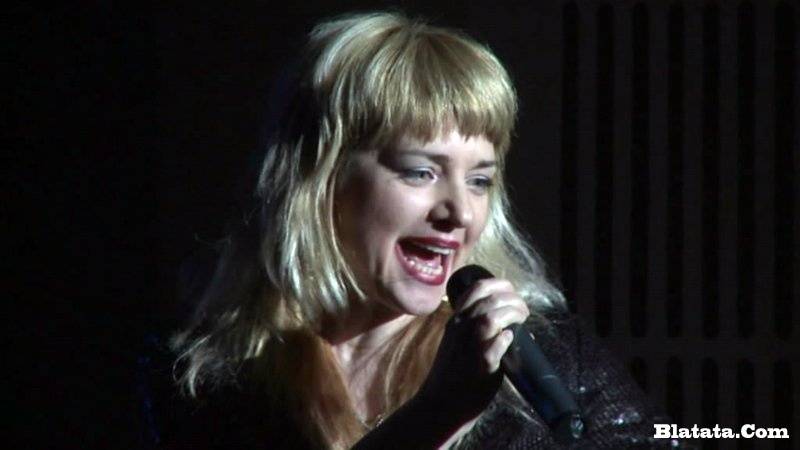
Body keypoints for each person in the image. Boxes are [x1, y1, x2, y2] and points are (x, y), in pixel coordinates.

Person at [151, 11, 688, 449]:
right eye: (421, 172)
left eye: (479, 181)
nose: (460, 212)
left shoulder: (550, 356)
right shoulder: (210, 374)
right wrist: (438, 414)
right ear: (322, 177)